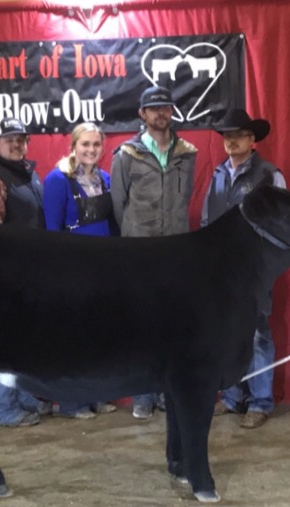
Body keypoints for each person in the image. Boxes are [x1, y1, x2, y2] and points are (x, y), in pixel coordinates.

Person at [110, 86, 198, 420]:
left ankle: (167, 392)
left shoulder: (187, 153)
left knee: (173, 324)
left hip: (176, 251)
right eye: (154, 108)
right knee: (141, 325)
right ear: (142, 114)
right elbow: (119, 204)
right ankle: (142, 396)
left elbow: (185, 198)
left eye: (166, 107)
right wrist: (136, 236)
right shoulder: (126, 154)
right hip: (140, 254)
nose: (161, 113)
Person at [201, 109, 284, 429]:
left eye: (239, 135)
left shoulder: (269, 175)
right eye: (227, 136)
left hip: (254, 267)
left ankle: (260, 401)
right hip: (221, 269)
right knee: (227, 332)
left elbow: (280, 223)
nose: (232, 141)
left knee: (257, 332)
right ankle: (232, 397)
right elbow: (208, 219)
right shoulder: (218, 174)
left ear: (252, 139)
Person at [0, 117, 49, 427]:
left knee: (25, 341)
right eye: (9, 140)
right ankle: (1, 408)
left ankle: (23, 397)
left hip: (31, 272)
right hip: (5, 274)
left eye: (20, 139)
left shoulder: (29, 175)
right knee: (4, 343)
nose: (16, 144)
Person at [42, 121, 118, 419]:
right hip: (72, 267)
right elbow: (52, 230)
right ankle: (72, 403)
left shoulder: (106, 179)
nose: (91, 149)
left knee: (99, 334)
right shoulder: (57, 179)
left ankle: (96, 395)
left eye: (96, 144)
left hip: (103, 267)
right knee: (73, 337)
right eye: (85, 144)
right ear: (73, 146)